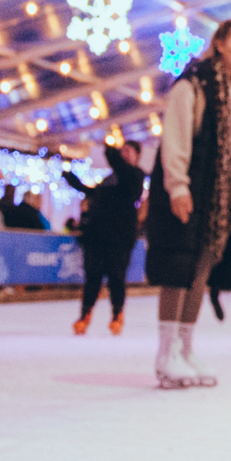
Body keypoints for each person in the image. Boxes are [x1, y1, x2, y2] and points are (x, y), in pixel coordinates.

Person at [144, 22, 231, 388]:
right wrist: (178, 186)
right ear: (219, 45)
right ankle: (166, 353)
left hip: (223, 193)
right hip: (192, 186)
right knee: (178, 264)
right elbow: (175, 138)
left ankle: (185, 346)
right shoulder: (193, 83)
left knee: (202, 267)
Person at [66, 139, 148, 333]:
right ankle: (85, 314)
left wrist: (111, 151)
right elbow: (94, 194)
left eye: (129, 151)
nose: (124, 154)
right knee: (92, 276)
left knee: (116, 278)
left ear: (137, 156)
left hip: (120, 238)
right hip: (97, 236)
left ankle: (117, 314)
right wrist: (73, 181)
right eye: (123, 150)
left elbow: (123, 172)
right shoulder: (110, 178)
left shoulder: (135, 175)